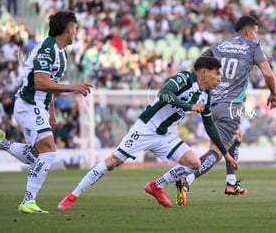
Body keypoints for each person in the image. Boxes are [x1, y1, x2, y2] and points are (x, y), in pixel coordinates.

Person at [57, 56, 238, 210]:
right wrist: (189, 106)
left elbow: (210, 126)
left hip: (165, 135)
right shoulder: (185, 78)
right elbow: (164, 93)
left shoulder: (206, 96)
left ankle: (156, 186)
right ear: (204, 72)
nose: (219, 78)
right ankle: (73, 195)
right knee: (113, 162)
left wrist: (225, 154)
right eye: (217, 73)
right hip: (146, 127)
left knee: (194, 163)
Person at [0, 11, 93, 214]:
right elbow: (40, 82)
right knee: (49, 152)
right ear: (68, 29)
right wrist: (72, 88)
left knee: (37, 156)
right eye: (76, 29)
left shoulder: (62, 52)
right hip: (28, 105)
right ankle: (28, 201)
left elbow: (50, 83)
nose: (76, 33)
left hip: (40, 107)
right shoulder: (48, 48)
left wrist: (51, 110)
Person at [176, 15, 276, 205]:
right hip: (230, 105)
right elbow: (268, 73)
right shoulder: (253, 46)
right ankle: (186, 179)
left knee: (237, 136)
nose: (257, 37)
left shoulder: (220, 46)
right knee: (217, 151)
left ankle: (231, 183)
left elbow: (197, 67)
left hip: (211, 102)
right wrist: (273, 93)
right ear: (248, 32)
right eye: (255, 33)